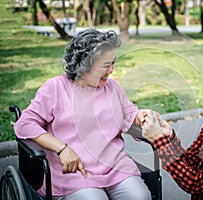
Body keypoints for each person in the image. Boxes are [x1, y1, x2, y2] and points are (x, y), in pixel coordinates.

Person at [14, 29, 151, 200]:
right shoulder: (56, 88)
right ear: (84, 64)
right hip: (74, 172)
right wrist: (62, 148)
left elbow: (129, 113)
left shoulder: (112, 87)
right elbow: (25, 124)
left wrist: (141, 117)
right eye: (105, 65)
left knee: (140, 197)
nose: (111, 70)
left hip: (115, 167)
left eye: (113, 63)